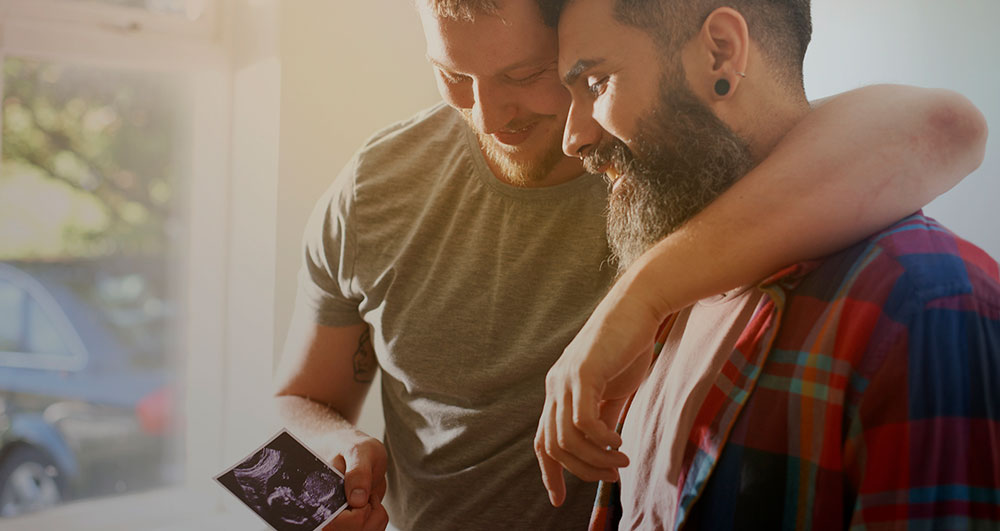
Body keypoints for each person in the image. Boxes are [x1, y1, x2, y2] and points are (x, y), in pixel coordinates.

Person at [273, 1, 988, 530]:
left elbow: (942, 127)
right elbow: (290, 406)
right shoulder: (373, 188)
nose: (489, 115)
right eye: (452, 77)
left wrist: (636, 296)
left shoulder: (657, 177)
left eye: (526, 74)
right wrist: (325, 479)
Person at [534, 0, 1000, 528]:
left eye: (595, 83)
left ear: (721, 52)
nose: (573, 139)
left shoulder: (924, 305)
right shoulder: (662, 308)